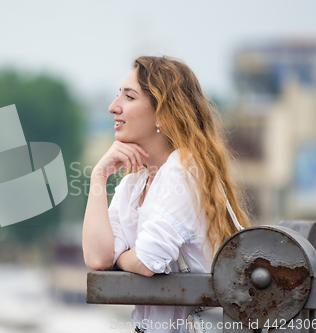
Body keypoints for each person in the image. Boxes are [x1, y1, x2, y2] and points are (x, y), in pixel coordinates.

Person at [82, 56, 250, 333]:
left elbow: (147, 262)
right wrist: (98, 176)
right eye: (117, 95)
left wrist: (121, 257)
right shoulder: (134, 183)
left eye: (129, 97)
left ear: (163, 112)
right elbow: (98, 258)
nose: (114, 107)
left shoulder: (184, 169)